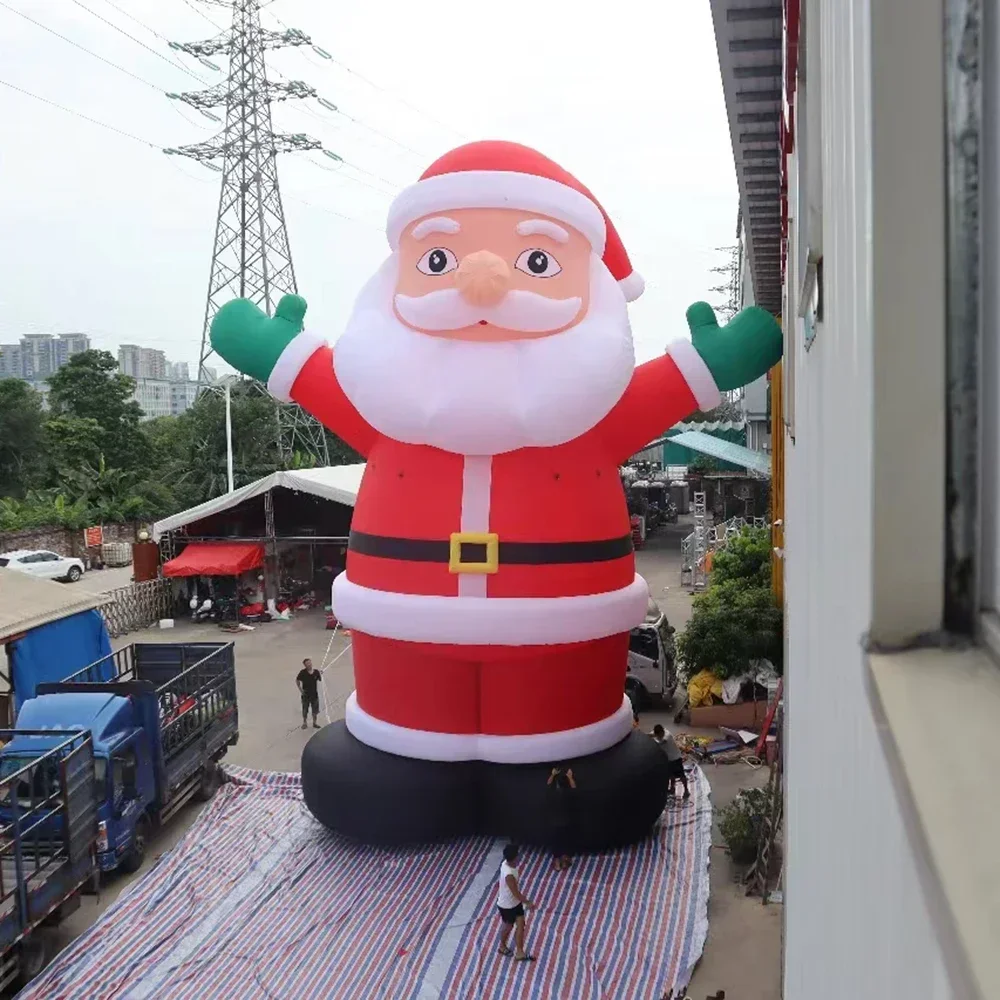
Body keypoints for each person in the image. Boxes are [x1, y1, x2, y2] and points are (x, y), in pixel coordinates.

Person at [496, 843, 536, 962]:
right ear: (515, 857)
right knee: (508, 926)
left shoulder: (506, 864)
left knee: (520, 924)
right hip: (507, 905)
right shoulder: (509, 874)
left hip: (515, 903)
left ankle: (519, 951)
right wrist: (527, 902)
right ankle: (502, 946)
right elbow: (515, 892)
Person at [546, 765, 577, 871]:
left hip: (554, 823)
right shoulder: (566, 794)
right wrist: (570, 777)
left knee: (556, 842)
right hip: (565, 822)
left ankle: (557, 864)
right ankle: (564, 861)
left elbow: (548, 784)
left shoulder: (551, 794)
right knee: (565, 841)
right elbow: (574, 788)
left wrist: (552, 774)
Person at [652, 723, 689, 800]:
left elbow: (661, 742)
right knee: (670, 775)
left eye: (659, 736)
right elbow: (650, 734)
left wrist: (651, 741)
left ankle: (686, 791)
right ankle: (672, 789)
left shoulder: (667, 736)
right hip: (668, 759)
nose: (658, 737)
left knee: (681, 775)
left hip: (675, 758)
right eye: (657, 735)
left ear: (662, 732)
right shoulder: (658, 732)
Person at [297, 658, 321, 729]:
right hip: (306, 695)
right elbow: (297, 680)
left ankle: (314, 723)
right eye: (307, 663)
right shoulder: (302, 672)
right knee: (305, 710)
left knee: (315, 710)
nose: (309, 664)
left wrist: (320, 673)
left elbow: (319, 679)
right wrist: (301, 690)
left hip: (314, 695)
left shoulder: (316, 672)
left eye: (310, 662)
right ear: (305, 665)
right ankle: (304, 723)